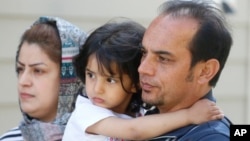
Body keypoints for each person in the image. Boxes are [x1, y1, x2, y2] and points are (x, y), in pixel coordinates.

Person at [62, 18, 224, 141]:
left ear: (135, 82)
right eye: (91, 75)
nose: (97, 88)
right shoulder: (87, 111)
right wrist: (188, 116)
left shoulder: (140, 114)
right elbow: (133, 131)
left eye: (110, 80)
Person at [138, 0, 233, 140]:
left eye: (163, 59)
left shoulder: (211, 137)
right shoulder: (135, 114)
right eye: (144, 53)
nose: (142, 68)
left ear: (205, 71)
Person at [0, 16, 86, 141]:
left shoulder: (103, 137)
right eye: (20, 69)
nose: (23, 82)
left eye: (38, 71)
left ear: (71, 78)